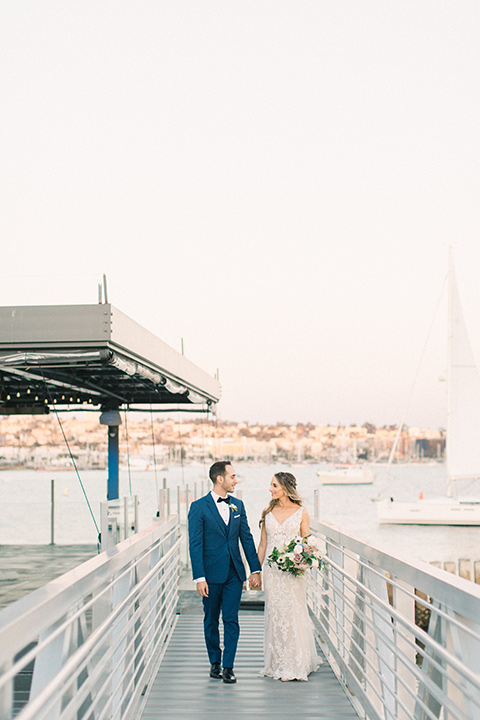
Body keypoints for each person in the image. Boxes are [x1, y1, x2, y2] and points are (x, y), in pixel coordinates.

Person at [188, 461, 261, 684]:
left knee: (231, 619)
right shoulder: (198, 507)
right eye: (233, 476)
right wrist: (199, 577)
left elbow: (246, 538)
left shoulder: (238, 505)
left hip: (234, 574)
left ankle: (229, 666)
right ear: (220, 479)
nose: (235, 480)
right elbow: (195, 544)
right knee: (211, 620)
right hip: (210, 575)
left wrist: (255, 569)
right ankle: (215, 662)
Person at [256, 471, 320, 681]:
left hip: (293, 573)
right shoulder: (268, 512)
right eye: (270, 485)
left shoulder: (302, 512)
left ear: (285, 487)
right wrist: (255, 571)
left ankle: (296, 663)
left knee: (293, 613)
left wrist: (301, 562)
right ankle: (278, 662)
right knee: (276, 615)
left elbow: (306, 542)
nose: (270, 489)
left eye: (274, 485)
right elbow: (263, 544)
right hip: (273, 573)